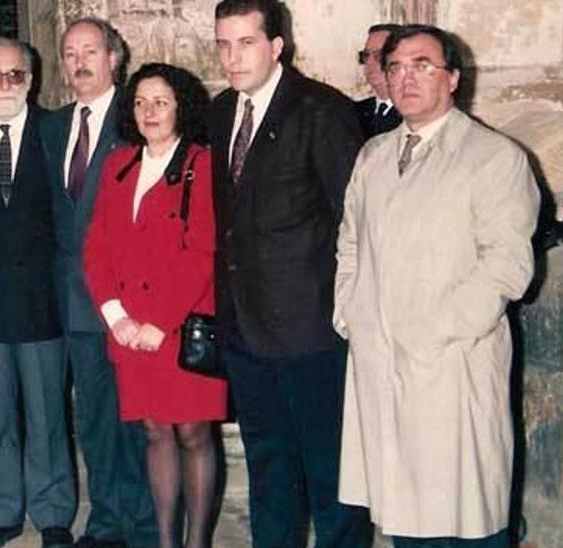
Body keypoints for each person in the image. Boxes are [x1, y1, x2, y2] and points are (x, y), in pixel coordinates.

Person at [334, 24, 539, 548]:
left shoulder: (495, 157)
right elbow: (351, 243)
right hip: (381, 359)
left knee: (466, 514)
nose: (406, 77)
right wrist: (350, 312)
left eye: (422, 65)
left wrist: (433, 330)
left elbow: (506, 267)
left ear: (452, 78)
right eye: (396, 66)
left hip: (452, 363)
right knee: (405, 516)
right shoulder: (374, 155)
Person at [207, 1, 373, 547]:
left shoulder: (321, 111)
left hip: (311, 331)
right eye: (223, 44)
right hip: (247, 332)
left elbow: (356, 224)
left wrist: (347, 316)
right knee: (269, 471)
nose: (233, 57)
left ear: (277, 45)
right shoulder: (220, 111)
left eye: (246, 43)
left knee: (331, 476)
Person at [83, 62, 225, 548]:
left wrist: (160, 324)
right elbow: (96, 247)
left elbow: (202, 253)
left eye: (161, 101)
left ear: (181, 106)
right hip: (129, 331)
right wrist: (116, 317)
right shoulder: (117, 165)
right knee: (154, 432)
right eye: (141, 102)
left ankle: (197, 542)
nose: (150, 111)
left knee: (192, 435)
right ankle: (166, 542)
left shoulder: (201, 164)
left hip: (180, 330)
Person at [38, 17, 157, 548]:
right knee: (93, 418)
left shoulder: (140, 121)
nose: (80, 62)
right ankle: (108, 521)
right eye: (70, 53)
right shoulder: (52, 126)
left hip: (132, 301)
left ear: (115, 58)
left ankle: (148, 523)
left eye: (90, 51)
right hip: (76, 300)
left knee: (139, 416)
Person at [0, 37, 75, 548]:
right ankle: (1, 513)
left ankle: (52, 514)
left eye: (15, 75)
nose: (4, 85)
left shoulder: (55, 132)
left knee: (48, 414)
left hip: (43, 301)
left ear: (32, 79)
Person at [354, 23, 403, 138]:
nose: (369, 63)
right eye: (366, 55)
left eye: (379, 55)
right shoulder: (354, 112)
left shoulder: (416, 114)